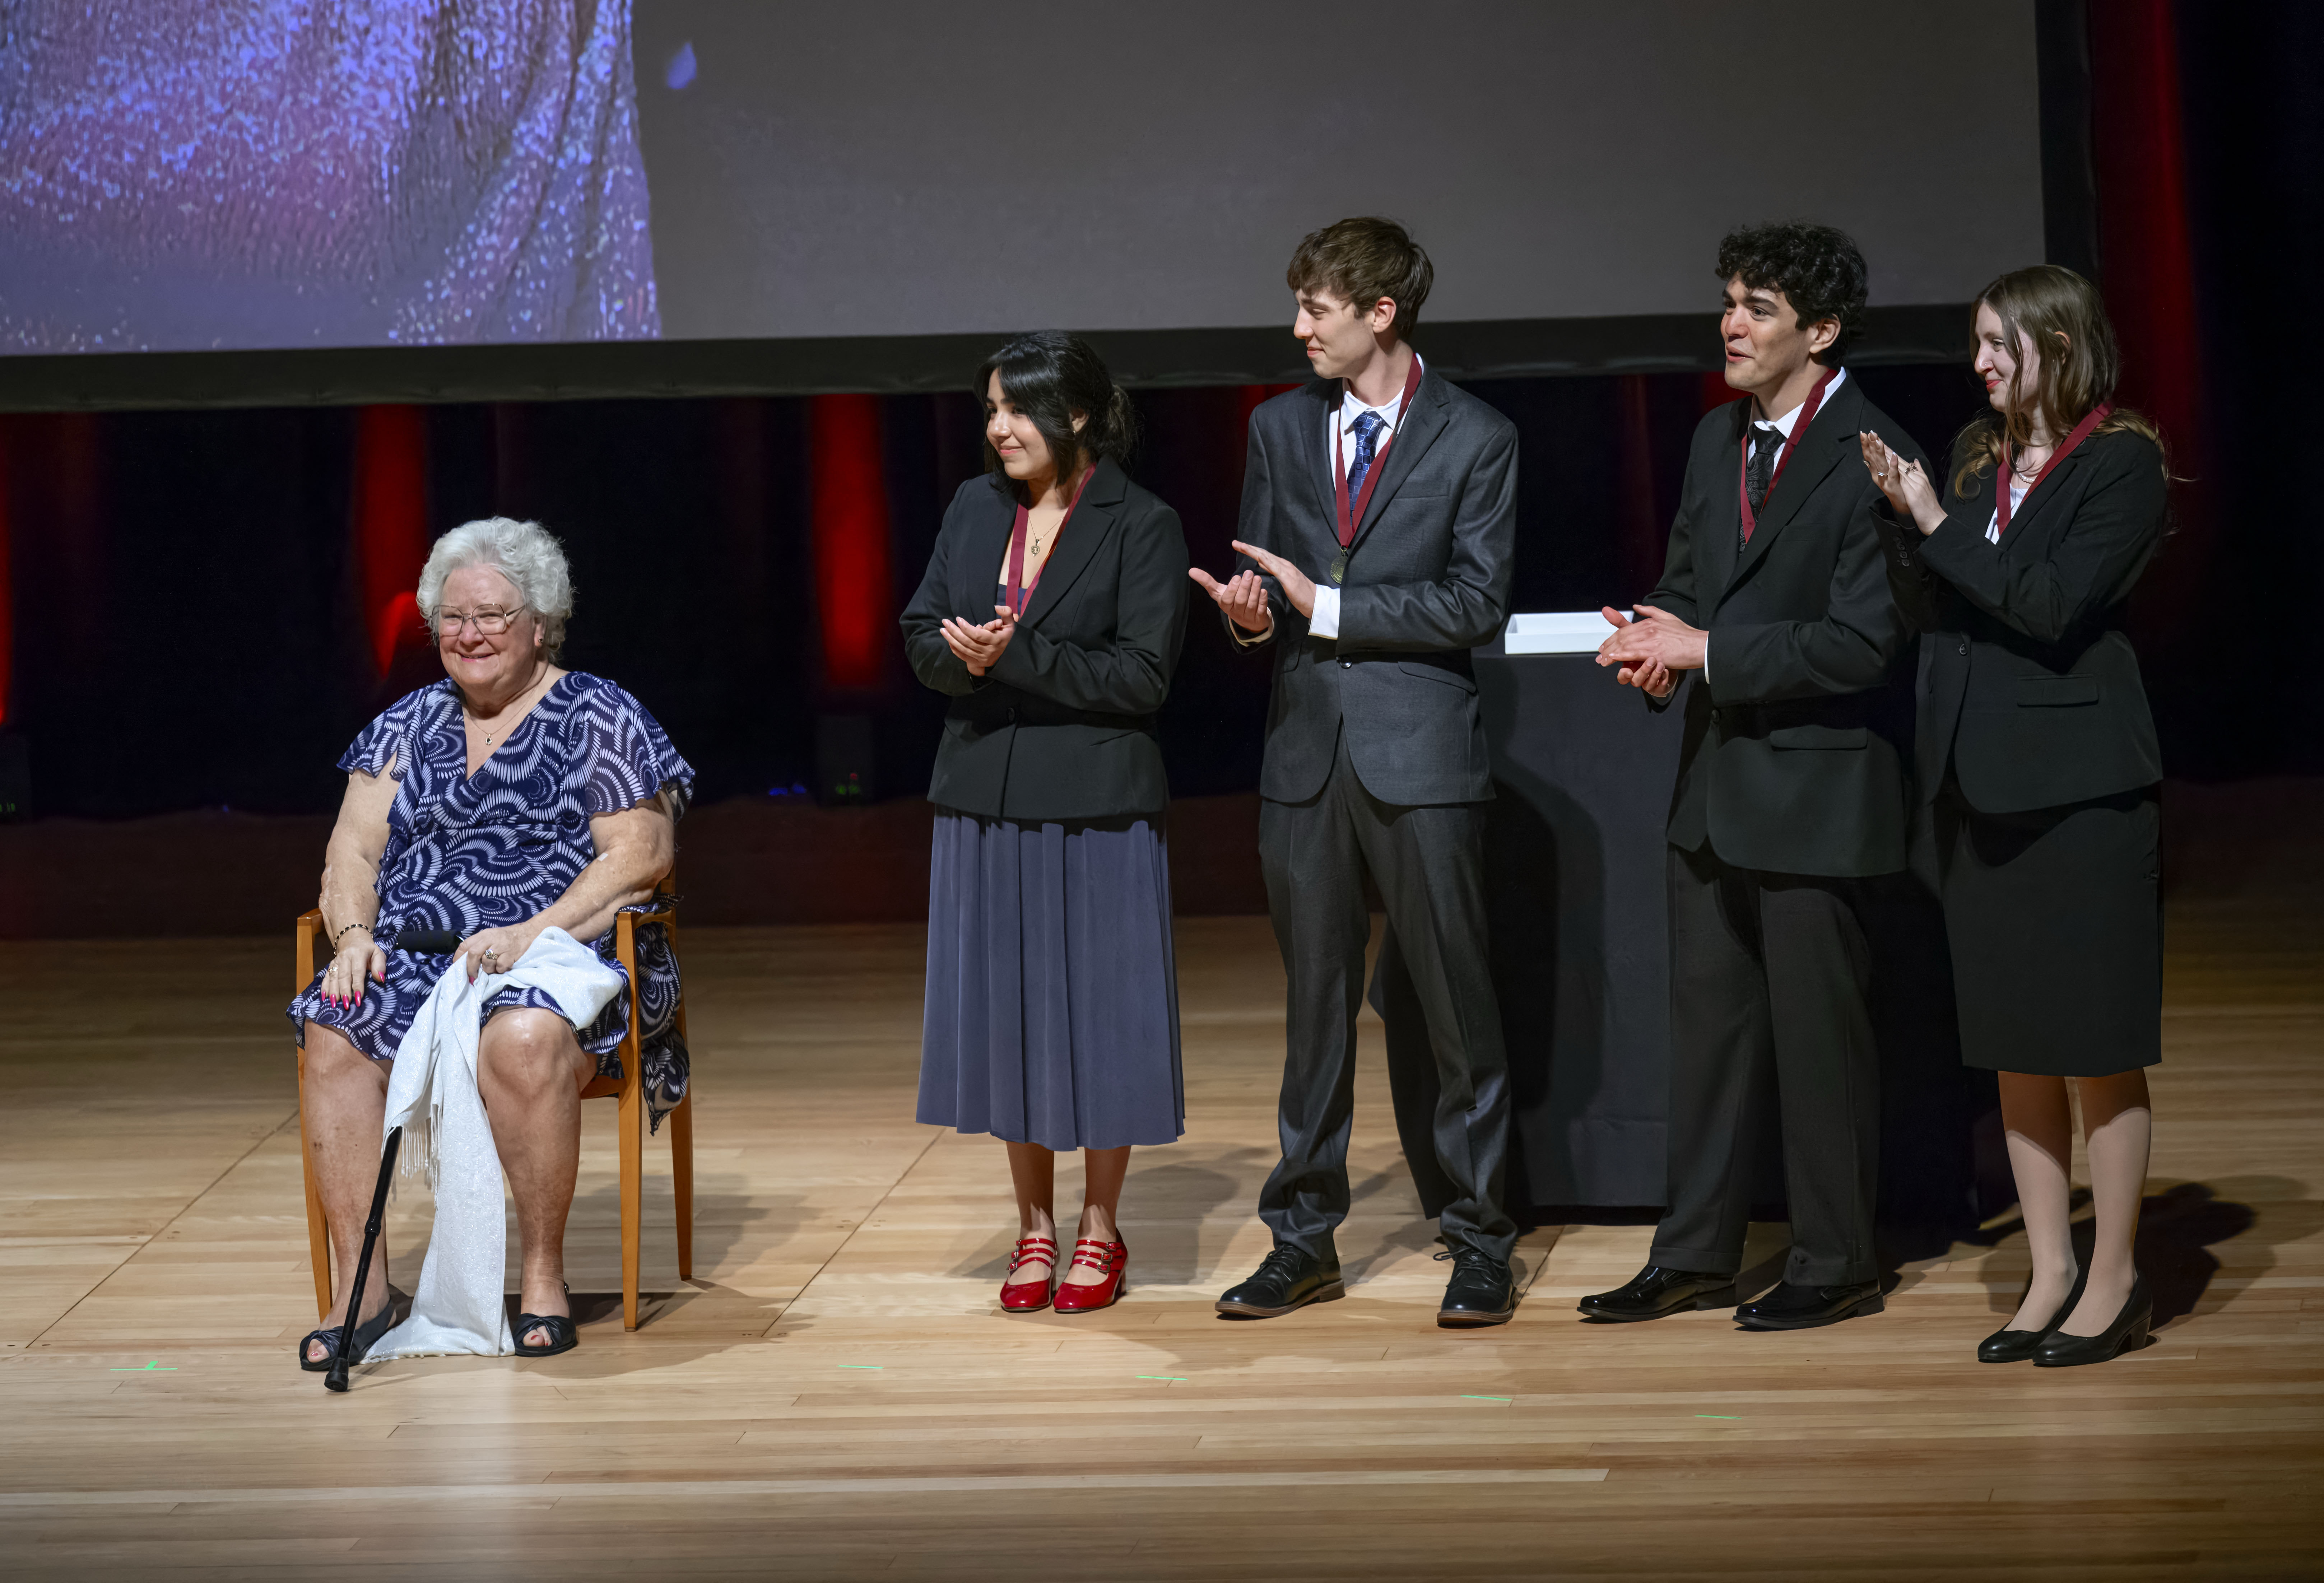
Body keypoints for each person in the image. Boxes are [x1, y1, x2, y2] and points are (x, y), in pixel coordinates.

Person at [1589, 222, 1923, 1331]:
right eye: (1730, 300)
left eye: (1761, 307)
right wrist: (1653, 638)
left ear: (1821, 332)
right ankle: (1693, 1254)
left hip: (1821, 797)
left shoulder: (1874, 450)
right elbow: (1692, 582)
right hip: (1717, 789)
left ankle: (1837, 1260)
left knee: (1823, 1050)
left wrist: (1712, 653)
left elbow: (1867, 642)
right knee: (1712, 1040)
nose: (1732, 323)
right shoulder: (1712, 441)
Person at [1190, 217, 1521, 1328]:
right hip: (1305, 752)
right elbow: (1265, 590)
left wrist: (1323, 607)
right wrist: (1247, 621)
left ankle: (1478, 1237)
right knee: (1315, 1008)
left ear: (1381, 313)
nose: (1298, 330)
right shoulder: (1281, 429)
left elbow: (1476, 603)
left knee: (1455, 1005)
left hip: (1421, 754)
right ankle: (1303, 1238)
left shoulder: (1476, 436)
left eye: (1317, 310)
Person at [289, 517, 692, 1367]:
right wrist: (354, 935)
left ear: (540, 623)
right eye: (451, 616)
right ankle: (366, 1292)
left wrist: (528, 933)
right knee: (332, 1023)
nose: (468, 634)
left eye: (492, 616)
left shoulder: (599, 715)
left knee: (519, 1035)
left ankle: (542, 1276)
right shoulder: (404, 725)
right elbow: (351, 849)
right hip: (417, 954)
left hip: (561, 955)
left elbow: (642, 856)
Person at [1858, 265, 2167, 1367]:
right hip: (1972, 780)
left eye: (2001, 342)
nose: (1981, 361)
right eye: (1978, 341)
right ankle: (2049, 1271)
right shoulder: (1978, 457)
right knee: (2015, 1047)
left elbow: (2043, 607)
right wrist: (1907, 522)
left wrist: (1937, 518)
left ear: (2061, 342)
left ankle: (2118, 1271)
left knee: (2093, 1040)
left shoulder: (2125, 461)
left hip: (2079, 789)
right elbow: (1944, 600)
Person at [902, 331, 1190, 1315]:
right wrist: (963, 658)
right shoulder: (974, 506)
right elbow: (918, 631)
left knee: (1100, 1018)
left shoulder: (1141, 523)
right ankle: (1034, 1227)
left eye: (1015, 410)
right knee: (1012, 1016)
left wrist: (1013, 655)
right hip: (984, 797)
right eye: (989, 410)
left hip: (1098, 805)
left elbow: (1143, 678)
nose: (997, 428)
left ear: (1073, 417)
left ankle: (1101, 1229)